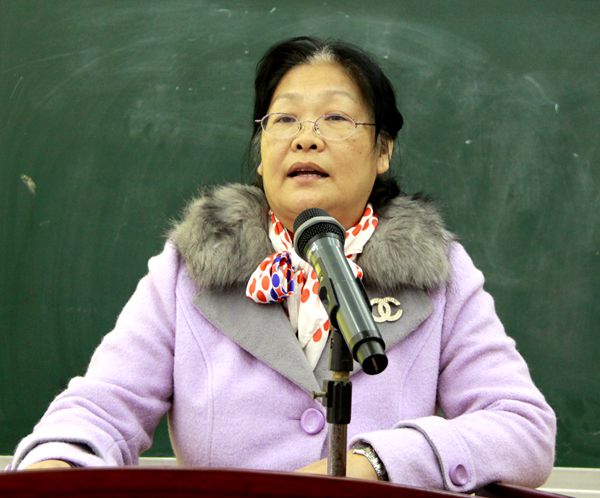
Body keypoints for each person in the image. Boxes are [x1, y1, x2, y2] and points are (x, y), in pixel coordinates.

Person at [10, 36, 556, 492]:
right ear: (261, 148)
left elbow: (523, 429)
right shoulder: (189, 267)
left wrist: (375, 463)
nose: (305, 138)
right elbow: (102, 408)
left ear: (383, 150)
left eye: (335, 118)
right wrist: (55, 467)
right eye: (284, 119)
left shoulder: (439, 273)